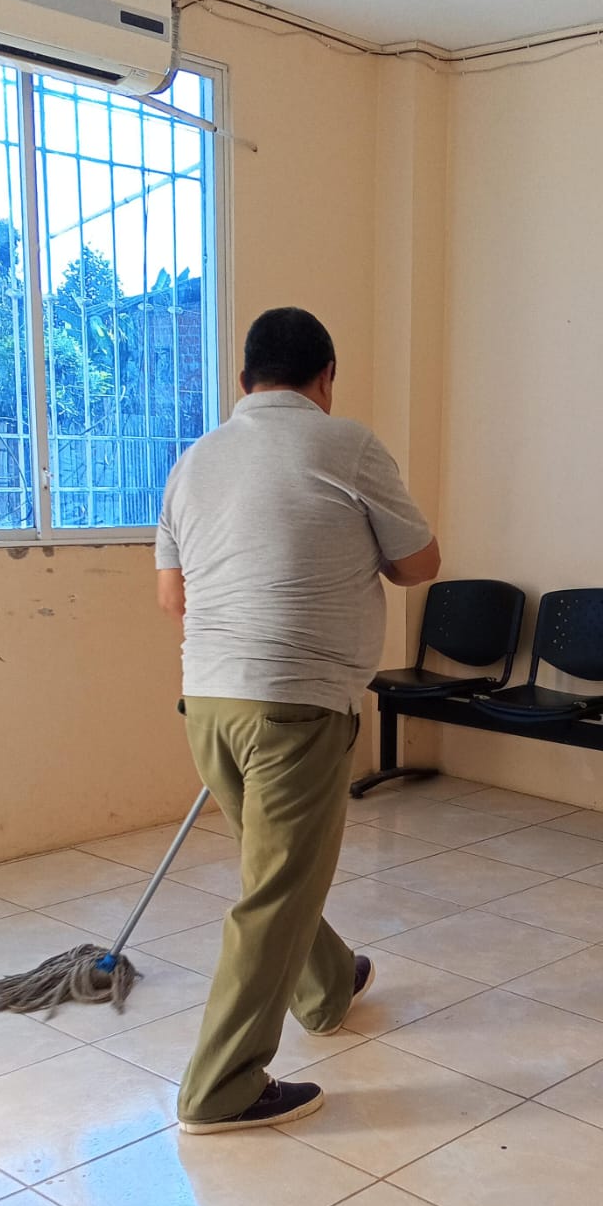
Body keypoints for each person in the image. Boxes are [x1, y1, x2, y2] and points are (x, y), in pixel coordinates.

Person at [154, 307, 440, 1132]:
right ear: (326, 378)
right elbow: (421, 563)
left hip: (207, 705)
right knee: (275, 891)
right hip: (297, 707)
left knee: (278, 870)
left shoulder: (193, 460)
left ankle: (327, 984)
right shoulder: (345, 444)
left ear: (244, 381)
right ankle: (220, 1087)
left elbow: (172, 597)